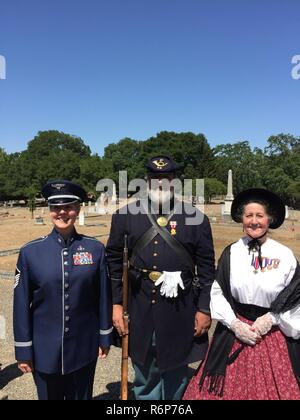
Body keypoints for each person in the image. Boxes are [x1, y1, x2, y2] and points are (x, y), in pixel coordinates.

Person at [106, 155, 215, 400]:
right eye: (155, 178)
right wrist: (115, 304)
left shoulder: (196, 218)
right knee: (144, 370)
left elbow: (207, 269)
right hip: (138, 304)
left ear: (175, 182)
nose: (160, 184)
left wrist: (205, 309)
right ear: (147, 181)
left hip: (181, 307)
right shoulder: (124, 216)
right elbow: (113, 264)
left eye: (166, 178)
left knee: (177, 369)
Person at [183, 188, 300, 400]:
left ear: (269, 219)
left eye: (259, 216)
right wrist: (234, 324)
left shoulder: (284, 255)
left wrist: (271, 318)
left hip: (272, 334)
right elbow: (218, 291)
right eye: (249, 216)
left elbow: (294, 294)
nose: (254, 221)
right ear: (242, 219)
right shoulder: (231, 252)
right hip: (235, 330)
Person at [13, 180, 113, 400]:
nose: (62, 212)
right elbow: (21, 305)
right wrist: (23, 350)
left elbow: (103, 296)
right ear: (49, 211)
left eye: (68, 207)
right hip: (44, 348)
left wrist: (105, 336)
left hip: (83, 346)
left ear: (77, 210)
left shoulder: (95, 249)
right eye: (56, 208)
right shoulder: (30, 252)